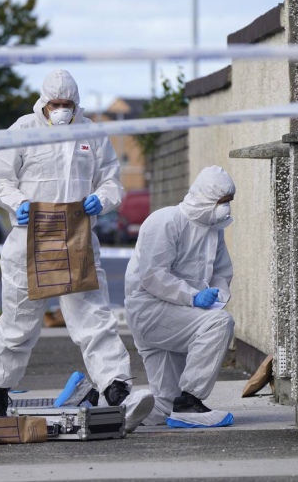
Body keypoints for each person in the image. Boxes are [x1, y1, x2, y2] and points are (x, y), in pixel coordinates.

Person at [0, 69, 153, 432]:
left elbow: (111, 181)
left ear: (76, 104)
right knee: (17, 323)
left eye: (67, 104)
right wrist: (18, 202)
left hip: (77, 240)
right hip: (30, 241)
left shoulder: (91, 133)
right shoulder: (22, 131)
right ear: (43, 102)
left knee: (94, 320)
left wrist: (100, 200)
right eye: (55, 104)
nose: (61, 110)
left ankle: (118, 391)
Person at [123, 165, 236, 428]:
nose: (226, 208)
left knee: (163, 407)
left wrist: (218, 296)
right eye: (221, 201)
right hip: (151, 311)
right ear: (206, 196)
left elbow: (221, 271)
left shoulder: (213, 229)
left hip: (177, 314)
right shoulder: (166, 220)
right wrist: (195, 297)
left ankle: (94, 401)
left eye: (229, 202)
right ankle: (190, 401)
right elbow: (152, 276)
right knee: (219, 323)